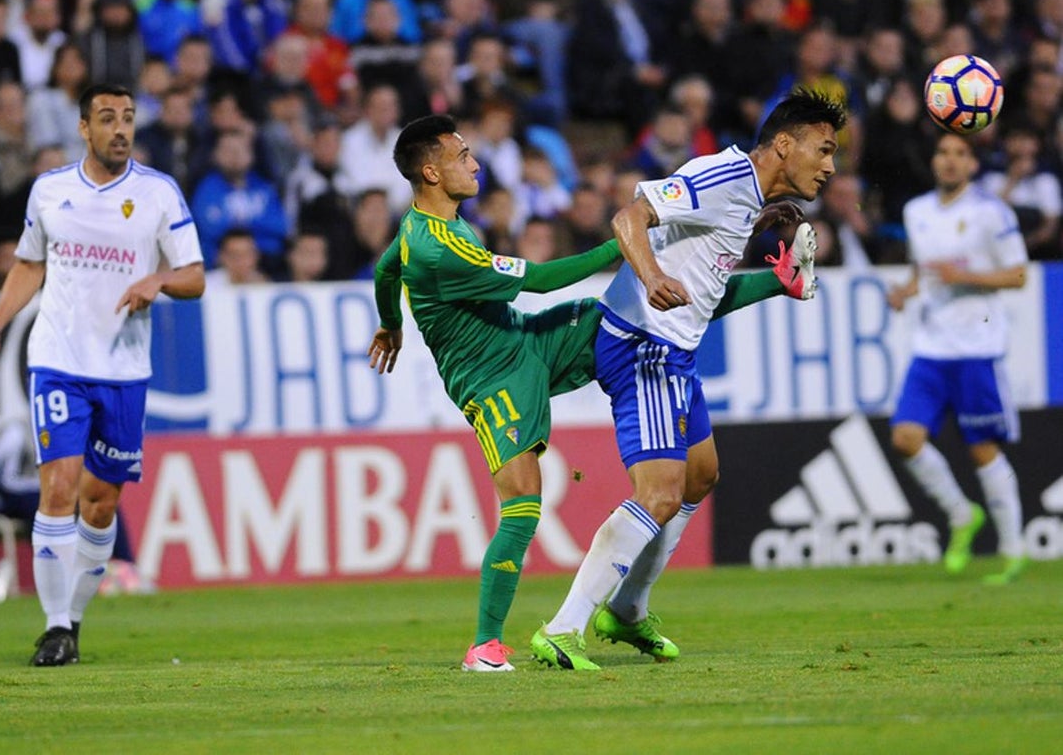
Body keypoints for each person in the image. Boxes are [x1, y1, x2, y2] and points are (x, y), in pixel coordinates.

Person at [367, 114, 814, 672]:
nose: (475, 163)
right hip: (491, 380)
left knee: (643, 317)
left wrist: (392, 325)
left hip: (526, 341)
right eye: (462, 157)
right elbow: (543, 280)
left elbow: (387, 269)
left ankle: (622, 608)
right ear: (430, 171)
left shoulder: (430, 226)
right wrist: (630, 250)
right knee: (524, 506)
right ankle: (485, 645)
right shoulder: (438, 248)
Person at [530, 89, 844, 670]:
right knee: (659, 493)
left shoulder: (748, 201)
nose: (831, 166)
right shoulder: (722, 176)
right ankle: (563, 627)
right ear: (783, 144)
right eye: (823, 150)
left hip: (677, 352)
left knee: (700, 477)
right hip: (643, 347)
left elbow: (704, 291)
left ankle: (626, 610)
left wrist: (778, 281)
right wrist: (647, 275)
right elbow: (630, 216)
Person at [0, 83, 205, 667]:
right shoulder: (50, 191)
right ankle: (53, 627)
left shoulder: (158, 193)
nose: (120, 129)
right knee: (58, 488)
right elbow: (30, 264)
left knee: (100, 505)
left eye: (127, 118)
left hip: (124, 368)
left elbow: (195, 275)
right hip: (57, 360)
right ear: (84, 128)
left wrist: (158, 281)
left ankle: (73, 619)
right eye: (108, 118)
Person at [887, 133, 1029, 585]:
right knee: (905, 439)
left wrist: (966, 276)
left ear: (972, 164)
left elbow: (1020, 274)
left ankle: (1012, 550)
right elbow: (923, 272)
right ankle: (960, 514)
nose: (949, 161)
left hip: (976, 349)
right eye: (942, 152)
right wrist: (906, 292)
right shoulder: (917, 212)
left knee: (982, 450)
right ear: (934, 161)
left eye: (959, 154)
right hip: (930, 348)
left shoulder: (992, 213)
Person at [0, 418, 148, 593]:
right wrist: (51, 490)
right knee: (51, 507)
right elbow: (3, 483)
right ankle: (61, 578)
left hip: (32, 494)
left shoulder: (63, 435)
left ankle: (127, 569)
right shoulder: (16, 433)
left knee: (102, 499)